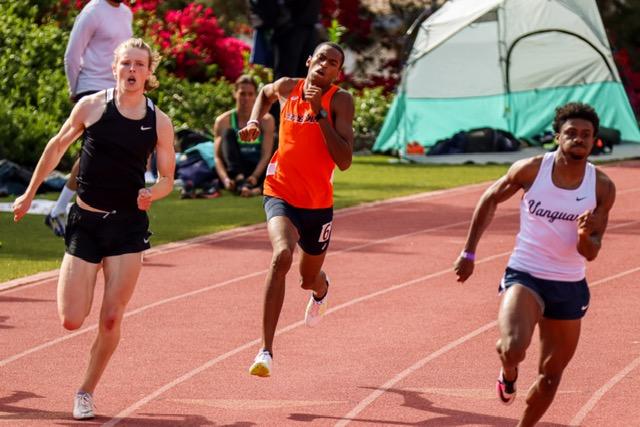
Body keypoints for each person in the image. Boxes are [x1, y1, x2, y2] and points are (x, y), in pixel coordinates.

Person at [12, 38, 175, 420]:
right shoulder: (93, 107)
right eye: (126, 64)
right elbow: (55, 147)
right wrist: (28, 193)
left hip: (128, 227)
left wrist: (153, 192)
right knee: (71, 319)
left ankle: (85, 391)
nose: (132, 70)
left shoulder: (158, 121)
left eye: (139, 64)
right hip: (86, 221)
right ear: (115, 68)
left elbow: (168, 177)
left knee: (112, 317)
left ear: (150, 73)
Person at [453, 102, 616, 426]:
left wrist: (585, 234)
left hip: (569, 284)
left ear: (594, 140)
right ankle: (509, 372)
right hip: (525, 273)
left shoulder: (601, 187)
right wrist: (469, 252)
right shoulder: (531, 170)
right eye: (571, 132)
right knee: (513, 347)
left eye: (586, 134)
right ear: (557, 136)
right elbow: (490, 198)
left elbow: (592, 251)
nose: (578, 139)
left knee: (551, 376)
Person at [238, 42, 354, 377]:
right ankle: (265, 352)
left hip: (317, 203)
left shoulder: (341, 101)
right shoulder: (290, 87)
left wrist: (319, 112)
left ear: (337, 72)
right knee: (282, 256)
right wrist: (255, 121)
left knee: (307, 279)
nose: (324, 66)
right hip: (281, 191)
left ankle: (321, 289)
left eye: (333, 63)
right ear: (309, 61)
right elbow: (264, 91)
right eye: (320, 59)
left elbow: (344, 161)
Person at [45, 0, 133, 237]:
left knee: (103, 153)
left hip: (117, 92)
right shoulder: (93, 10)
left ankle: (63, 209)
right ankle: (68, 209)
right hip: (91, 88)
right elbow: (72, 54)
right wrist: (75, 90)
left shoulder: (126, 13)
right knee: (97, 151)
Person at [213, 75, 275, 197]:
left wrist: (255, 176)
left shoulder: (267, 120)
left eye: (250, 94)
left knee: (278, 140)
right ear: (235, 94)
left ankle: (254, 186)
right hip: (235, 168)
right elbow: (217, 157)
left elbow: (266, 155)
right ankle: (241, 181)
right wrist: (225, 179)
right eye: (242, 94)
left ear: (256, 97)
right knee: (228, 133)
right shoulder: (223, 121)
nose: (246, 98)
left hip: (258, 168)